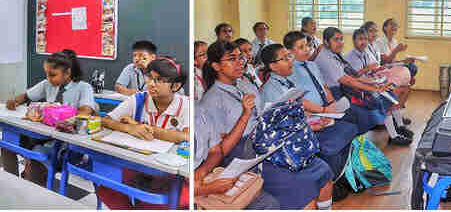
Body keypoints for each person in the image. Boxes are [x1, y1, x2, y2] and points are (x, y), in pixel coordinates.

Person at [198, 40, 324, 209]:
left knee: (315, 166)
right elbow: (222, 150)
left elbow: (262, 114)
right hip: (243, 155)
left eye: (240, 58)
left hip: (266, 141)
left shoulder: (245, 84)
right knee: (300, 186)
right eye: (231, 59)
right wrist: (245, 114)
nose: (240, 62)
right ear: (216, 66)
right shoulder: (212, 101)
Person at [98, 57, 190, 209]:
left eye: (160, 80)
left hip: (170, 172)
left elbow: (185, 136)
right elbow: (106, 120)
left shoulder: (185, 104)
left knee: (163, 202)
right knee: (106, 189)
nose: (151, 84)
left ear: (176, 85)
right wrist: (130, 128)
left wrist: (140, 125)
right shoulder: (139, 99)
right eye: (150, 78)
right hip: (137, 166)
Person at [259, 43, 358, 182]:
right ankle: (334, 181)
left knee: (348, 128)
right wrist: (313, 125)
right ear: (273, 66)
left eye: (289, 56)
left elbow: (297, 110)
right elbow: (283, 126)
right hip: (292, 138)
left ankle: (340, 176)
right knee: (336, 139)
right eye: (285, 58)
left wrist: (315, 118)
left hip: (303, 125)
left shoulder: (285, 82)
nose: (290, 61)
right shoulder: (271, 90)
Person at [2, 48, 95, 182]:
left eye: (52, 74)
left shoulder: (83, 87)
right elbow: (26, 96)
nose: (48, 78)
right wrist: (15, 101)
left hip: (65, 144)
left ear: (67, 73)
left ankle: (32, 187)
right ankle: (10, 182)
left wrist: (66, 119)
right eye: (46, 74)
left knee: (37, 155)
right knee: (7, 143)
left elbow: (86, 111)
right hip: (42, 135)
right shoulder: (48, 84)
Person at [379, 17, 418, 82]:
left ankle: (406, 79)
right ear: (385, 28)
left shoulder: (394, 41)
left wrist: (405, 61)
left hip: (392, 65)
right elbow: (385, 61)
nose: (394, 26)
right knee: (411, 69)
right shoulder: (379, 42)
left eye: (396, 25)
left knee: (413, 66)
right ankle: (406, 80)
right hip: (384, 66)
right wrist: (396, 50)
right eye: (392, 24)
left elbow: (393, 61)